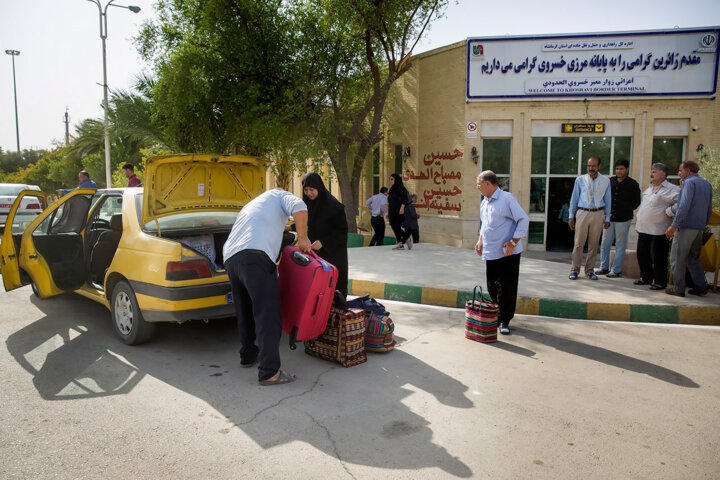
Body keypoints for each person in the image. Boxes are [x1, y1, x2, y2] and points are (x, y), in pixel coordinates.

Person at [222, 188, 311, 386]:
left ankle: (248, 355)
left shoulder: (254, 205)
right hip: (255, 256)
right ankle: (270, 372)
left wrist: (291, 231)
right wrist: (304, 237)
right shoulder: (281, 196)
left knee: (245, 309)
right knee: (268, 312)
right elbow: (300, 207)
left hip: (231, 257)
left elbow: (273, 227)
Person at [475, 170, 529, 335]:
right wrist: (480, 240)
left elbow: (523, 219)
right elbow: (485, 225)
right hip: (491, 251)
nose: (477, 188)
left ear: (488, 184)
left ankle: (504, 320)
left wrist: (513, 242)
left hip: (507, 253)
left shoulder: (507, 199)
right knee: (492, 286)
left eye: (479, 184)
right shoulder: (484, 202)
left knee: (506, 287)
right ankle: (497, 315)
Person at [666, 160, 713, 297]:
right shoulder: (707, 184)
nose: (679, 173)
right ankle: (700, 286)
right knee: (694, 257)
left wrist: (674, 225)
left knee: (676, 257)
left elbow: (684, 206)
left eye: (681, 171)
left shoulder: (688, 183)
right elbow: (709, 208)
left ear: (688, 171)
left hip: (686, 226)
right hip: (699, 227)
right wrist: (703, 225)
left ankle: (678, 289)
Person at [301, 172, 349, 297]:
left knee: (332, 288)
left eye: (312, 189)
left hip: (333, 255)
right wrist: (290, 227)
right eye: (306, 190)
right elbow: (307, 222)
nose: (309, 193)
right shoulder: (307, 204)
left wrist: (323, 243)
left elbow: (342, 232)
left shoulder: (334, 207)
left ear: (319, 188)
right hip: (314, 255)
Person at [634, 163, 680, 290]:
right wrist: (638, 224)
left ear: (663, 174)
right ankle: (646, 277)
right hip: (643, 228)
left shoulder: (672, 189)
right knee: (642, 254)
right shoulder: (649, 188)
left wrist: (670, 211)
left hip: (659, 230)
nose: (651, 174)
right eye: (651, 171)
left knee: (658, 256)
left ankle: (660, 281)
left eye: (654, 172)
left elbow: (682, 204)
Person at [568, 156, 612, 280]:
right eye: (589, 166)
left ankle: (589, 270)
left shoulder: (605, 181)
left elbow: (608, 200)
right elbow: (574, 198)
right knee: (578, 243)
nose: (590, 168)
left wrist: (607, 218)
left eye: (593, 166)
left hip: (598, 213)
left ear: (599, 166)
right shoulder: (580, 180)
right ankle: (574, 270)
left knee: (593, 244)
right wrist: (571, 216)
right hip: (582, 212)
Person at [597, 159, 641, 277]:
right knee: (605, 243)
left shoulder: (633, 184)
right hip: (609, 218)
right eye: (617, 169)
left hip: (624, 219)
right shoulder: (609, 181)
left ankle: (616, 270)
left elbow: (637, 201)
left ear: (627, 169)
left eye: (621, 169)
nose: (619, 171)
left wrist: (626, 209)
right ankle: (603, 267)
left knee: (620, 245)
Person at [387, 173, 410, 250]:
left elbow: (405, 199)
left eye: (392, 179)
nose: (390, 181)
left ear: (396, 179)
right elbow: (390, 202)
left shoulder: (401, 188)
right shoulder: (392, 189)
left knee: (396, 226)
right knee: (393, 226)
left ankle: (405, 239)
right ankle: (401, 243)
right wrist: (388, 212)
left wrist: (402, 208)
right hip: (392, 211)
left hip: (399, 211)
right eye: (390, 179)